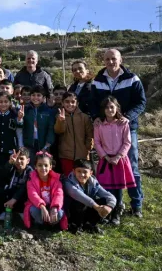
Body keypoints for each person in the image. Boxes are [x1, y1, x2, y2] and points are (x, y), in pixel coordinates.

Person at [90, 49, 146, 218]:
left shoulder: (132, 79)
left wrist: (127, 117)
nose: (110, 62)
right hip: (105, 129)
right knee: (109, 168)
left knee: (131, 166)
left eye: (113, 58)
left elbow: (141, 102)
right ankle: (114, 203)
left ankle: (136, 204)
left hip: (126, 127)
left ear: (120, 59)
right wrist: (96, 117)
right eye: (107, 59)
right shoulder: (98, 81)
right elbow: (92, 103)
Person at [94, 96, 136, 225]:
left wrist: (118, 156)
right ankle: (106, 212)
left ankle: (116, 214)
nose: (109, 109)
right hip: (106, 160)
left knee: (118, 188)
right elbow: (97, 142)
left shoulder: (123, 123)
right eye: (106, 107)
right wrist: (106, 157)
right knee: (105, 188)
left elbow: (127, 142)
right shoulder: (99, 124)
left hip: (119, 160)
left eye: (112, 107)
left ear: (117, 108)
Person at [64, 159, 116, 234]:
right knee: (80, 202)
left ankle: (90, 224)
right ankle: (76, 225)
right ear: (74, 171)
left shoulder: (93, 182)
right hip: (73, 212)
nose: (82, 175)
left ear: (91, 173)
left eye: (85, 172)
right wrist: (97, 207)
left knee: (105, 201)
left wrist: (109, 207)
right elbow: (80, 196)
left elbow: (109, 196)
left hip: (87, 209)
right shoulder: (68, 183)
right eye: (79, 171)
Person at [23, 151, 67, 231]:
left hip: (51, 205)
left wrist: (54, 208)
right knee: (33, 210)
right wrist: (42, 206)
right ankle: (41, 223)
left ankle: (52, 224)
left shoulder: (56, 179)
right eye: (40, 165)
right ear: (35, 166)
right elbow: (32, 195)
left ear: (50, 167)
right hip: (39, 206)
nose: (43, 168)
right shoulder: (31, 179)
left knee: (59, 212)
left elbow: (59, 194)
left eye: (46, 165)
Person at [54, 93, 93, 176]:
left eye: (73, 102)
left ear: (77, 103)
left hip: (82, 155)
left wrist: (87, 148)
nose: (70, 104)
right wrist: (61, 121)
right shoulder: (59, 116)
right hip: (66, 155)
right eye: (67, 102)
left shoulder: (84, 117)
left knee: (82, 178)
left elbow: (90, 135)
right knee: (69, 179)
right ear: (62, 103)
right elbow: (58, 131)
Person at [20, 86, 55, 162]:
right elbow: (20, 126)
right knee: (31, 167)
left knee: (43, 167)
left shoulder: (49, 111)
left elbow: (51, 129)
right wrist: (19, 118)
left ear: (43, 98)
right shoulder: (25, 109)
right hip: (29, 145)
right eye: (33, 95)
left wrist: (46, 146)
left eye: (38, 95)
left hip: (43, 145)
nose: (35, 97)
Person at [0, 148, 33, 220]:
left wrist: (14, 199)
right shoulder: (13, 168)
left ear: (28, 161)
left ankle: (22, 212)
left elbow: (24, 187)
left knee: (24, 191)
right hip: (12, 195)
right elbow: (2, 175)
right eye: (17, 158)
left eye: (22, 159)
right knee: (1, 190)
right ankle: (6, 211)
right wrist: (10, 163)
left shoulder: (30, 172)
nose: (19, 161)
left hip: (22, 197)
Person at [0, 93, 23, 167]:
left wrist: (19, 118)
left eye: (6, 102)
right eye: (0, 102)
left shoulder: (14, 115)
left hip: (10, 149)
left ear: (10, 103)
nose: (3, 104)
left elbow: (20, 127)